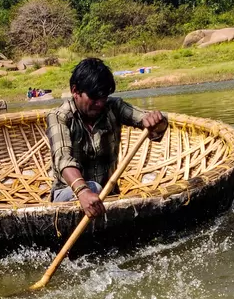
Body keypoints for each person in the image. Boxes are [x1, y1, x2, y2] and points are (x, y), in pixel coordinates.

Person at [47, 57, 168, 219]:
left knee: (98, 189)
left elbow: (147, 121)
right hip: (69, 195)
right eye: (94, 98)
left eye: (103, 97)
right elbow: (63, 158)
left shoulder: (113, 107)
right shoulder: (60, 116)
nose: (99, 103)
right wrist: (83, 191)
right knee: (94, 187)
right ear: (75, 91)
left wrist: (157, 122)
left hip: (108, 194)